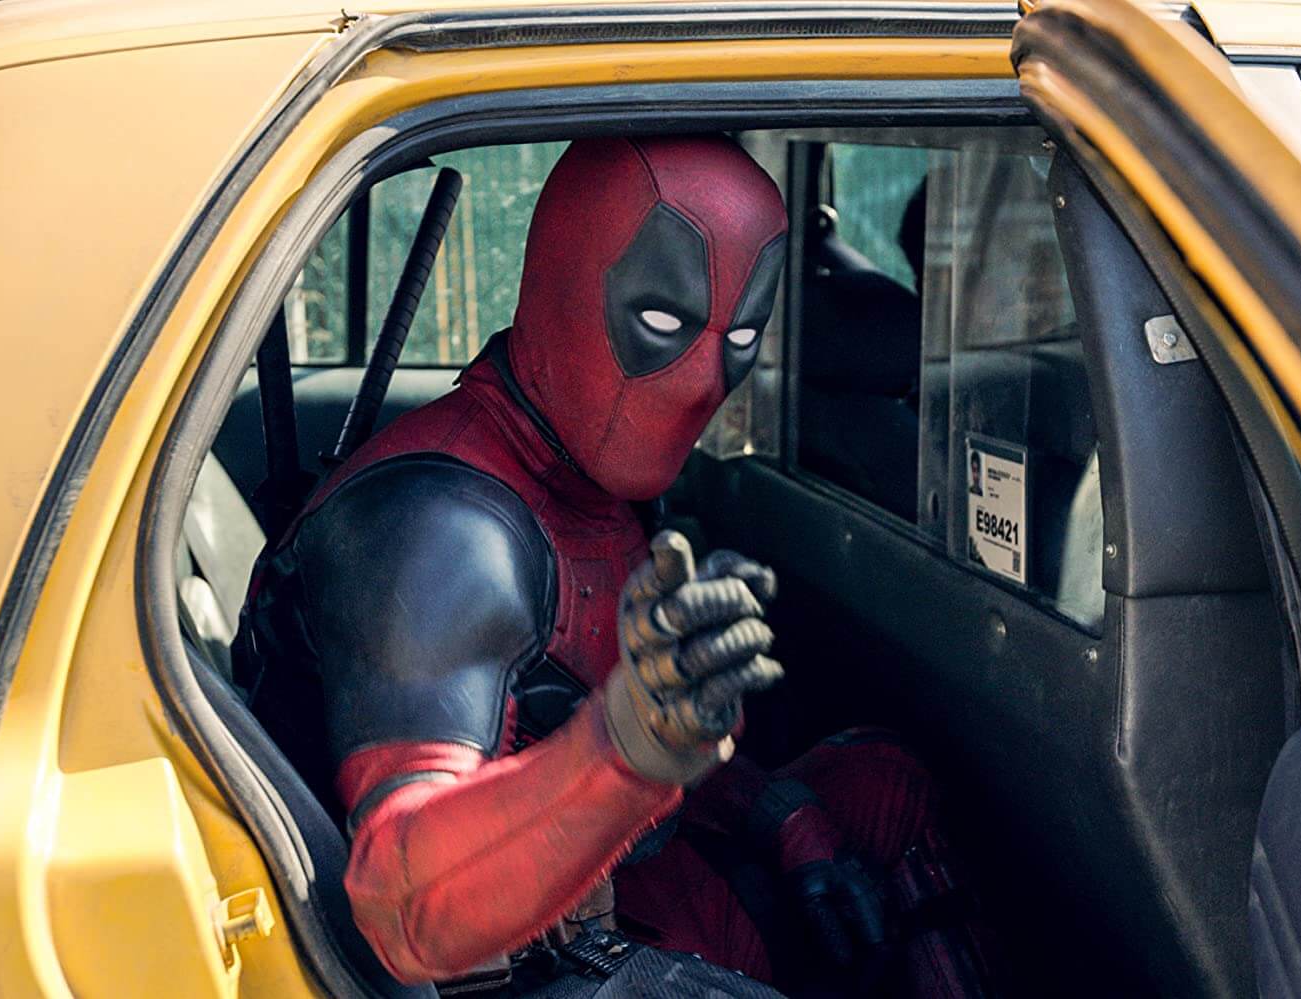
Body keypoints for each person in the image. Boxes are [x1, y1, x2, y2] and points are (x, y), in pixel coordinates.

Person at [237, 135, 988, 995]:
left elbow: (622, 721)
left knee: (884, 785)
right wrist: (622, 747)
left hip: (627, 874)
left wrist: (785, 818)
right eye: (662, 323)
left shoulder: (582, 471)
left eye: (741, 335)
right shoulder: (442, 528)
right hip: (494, 958)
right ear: (564, 286)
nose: (706, 380)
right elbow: (406, 910)